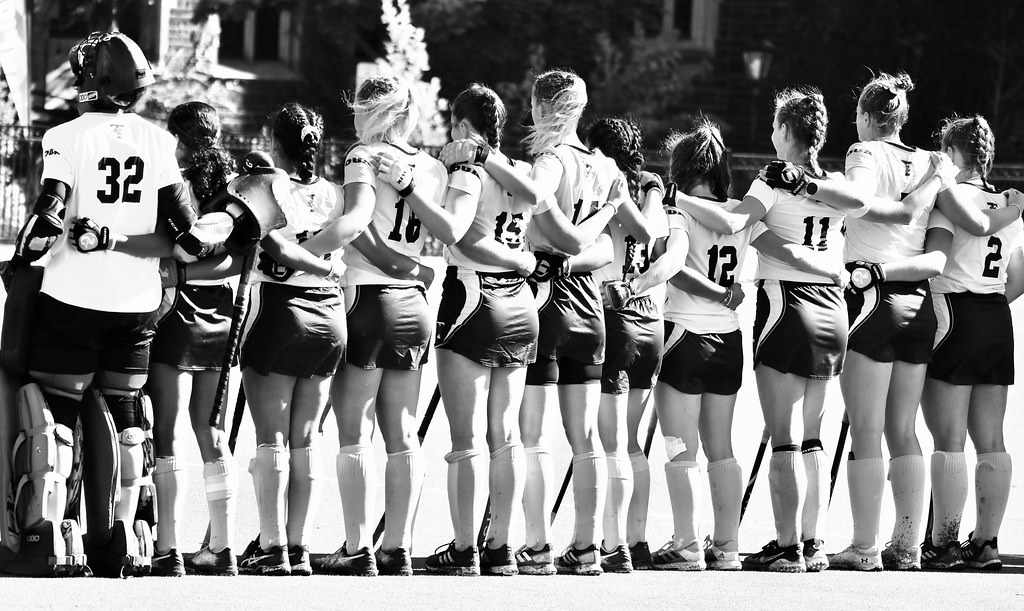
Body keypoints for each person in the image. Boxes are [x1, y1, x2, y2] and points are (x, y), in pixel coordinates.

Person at [3, 31, 237, 578]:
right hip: (137, 302)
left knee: (55, 418)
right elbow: (187, 232)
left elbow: (47, 218)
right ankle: (125, 543)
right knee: (127, 419)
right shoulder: (158, 140)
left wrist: (19, 263)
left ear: (93, 80)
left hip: (73, 297)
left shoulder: (65, 135)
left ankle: (55, 541)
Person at [429, 83, 641, 576]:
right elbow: (615, 245)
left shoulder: (546, 160)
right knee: (577, 438)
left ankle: (520, 545)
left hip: (526, 295)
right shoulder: (601, 167)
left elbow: (537, 221)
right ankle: (580, 547)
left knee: (522, 437)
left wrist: (534, 258)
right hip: (579, 303)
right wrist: (606, 213)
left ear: (541, 108)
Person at [818, 73, 1022, 572]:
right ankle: (918, 545)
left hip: (889, 298)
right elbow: (993, 252)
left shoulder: (865, 154)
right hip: (950, 309)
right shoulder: (941, 168)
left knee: (875, 429)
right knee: (917, 431)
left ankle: (875, 546)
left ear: (866, 117)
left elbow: (867, 203)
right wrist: (1012, 205)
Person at [652, 116, 849, 572]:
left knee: (681, 448)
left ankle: (685, 545)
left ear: (681, 167)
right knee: (721, 447)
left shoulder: (676, 211)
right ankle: (725, 545)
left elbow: (675, 266)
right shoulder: (742, 209)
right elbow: (785, 251)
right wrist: (830, 270)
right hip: (728, 340)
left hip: (684, 333)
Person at [318, 75, 445, 577]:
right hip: (416, 306)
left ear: (374, 112)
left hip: (370, 295)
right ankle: (397, 546)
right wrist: (415, 271)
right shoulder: (431, 166)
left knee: (354, 430)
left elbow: (360, 227)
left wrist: (398, 267)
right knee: (403, 433)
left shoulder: (362, 154)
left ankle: (356, 546)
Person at [238, 103, 368, 576]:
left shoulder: (266, 185)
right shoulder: (334, 193)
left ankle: (272, 546)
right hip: (329, 315)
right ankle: (300, 545)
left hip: (279, 307)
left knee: (271, 436)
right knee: (306, 438)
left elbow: (268, 244)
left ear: (275, 141)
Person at [920, 116, 1023, 571]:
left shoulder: (950, 197)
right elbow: (1018, 276)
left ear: (952, 152)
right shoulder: (1008, 203)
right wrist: (989, 300)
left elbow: (935, 258)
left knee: (948, 439)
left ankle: (943, 543)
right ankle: (986, 544)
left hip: (954, 314)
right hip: (996, 317)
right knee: (991, 439)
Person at [142, 102, 240, 577]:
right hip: (221, 314)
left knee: (167, 431)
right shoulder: (234, 185)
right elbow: (240, 260)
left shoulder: (172, 182)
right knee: (211, 432)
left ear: (177, 136)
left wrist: (177, 270)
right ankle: (222, 548)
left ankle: (169, 548)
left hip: (177, 310)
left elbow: (163, 250)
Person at [585, 117, 668, 572]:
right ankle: (635, 540)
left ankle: (613, 545)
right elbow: (655, 235)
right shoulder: (649, 186)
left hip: (614, 315)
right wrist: (651, 190)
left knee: (613, 442)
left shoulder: (609, 185)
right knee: (630, 442)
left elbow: (645, 234)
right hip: (650, 321)